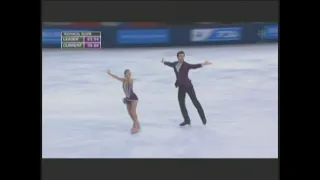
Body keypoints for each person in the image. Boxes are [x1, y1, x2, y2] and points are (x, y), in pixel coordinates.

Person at [161, 51, 212, 127]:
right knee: (181, 103)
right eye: (180, 56)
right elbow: (170, 64)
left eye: (183, 56)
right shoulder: (175, 64)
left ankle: (203, 118)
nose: (182, 57)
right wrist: (164, 62)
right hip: (181, 87)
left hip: (188, 86)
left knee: (195, 102)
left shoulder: (186, 65)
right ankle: (187, 120)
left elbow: (194, 66)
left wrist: (203, 64)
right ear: (177, 57)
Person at [107, 69, 140, 134]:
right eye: (128, 73)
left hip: (133, 98)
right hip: (127, 98)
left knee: (133, 111)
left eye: (130, 73)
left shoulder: (130, 80)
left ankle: (136, 126)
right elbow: (116, 77)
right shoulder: (123, 80)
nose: (129, 74)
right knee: (129, 112)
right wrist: (109, 73)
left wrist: (128, 78)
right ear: (125, 74)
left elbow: (129, 81)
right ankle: (136, 123)